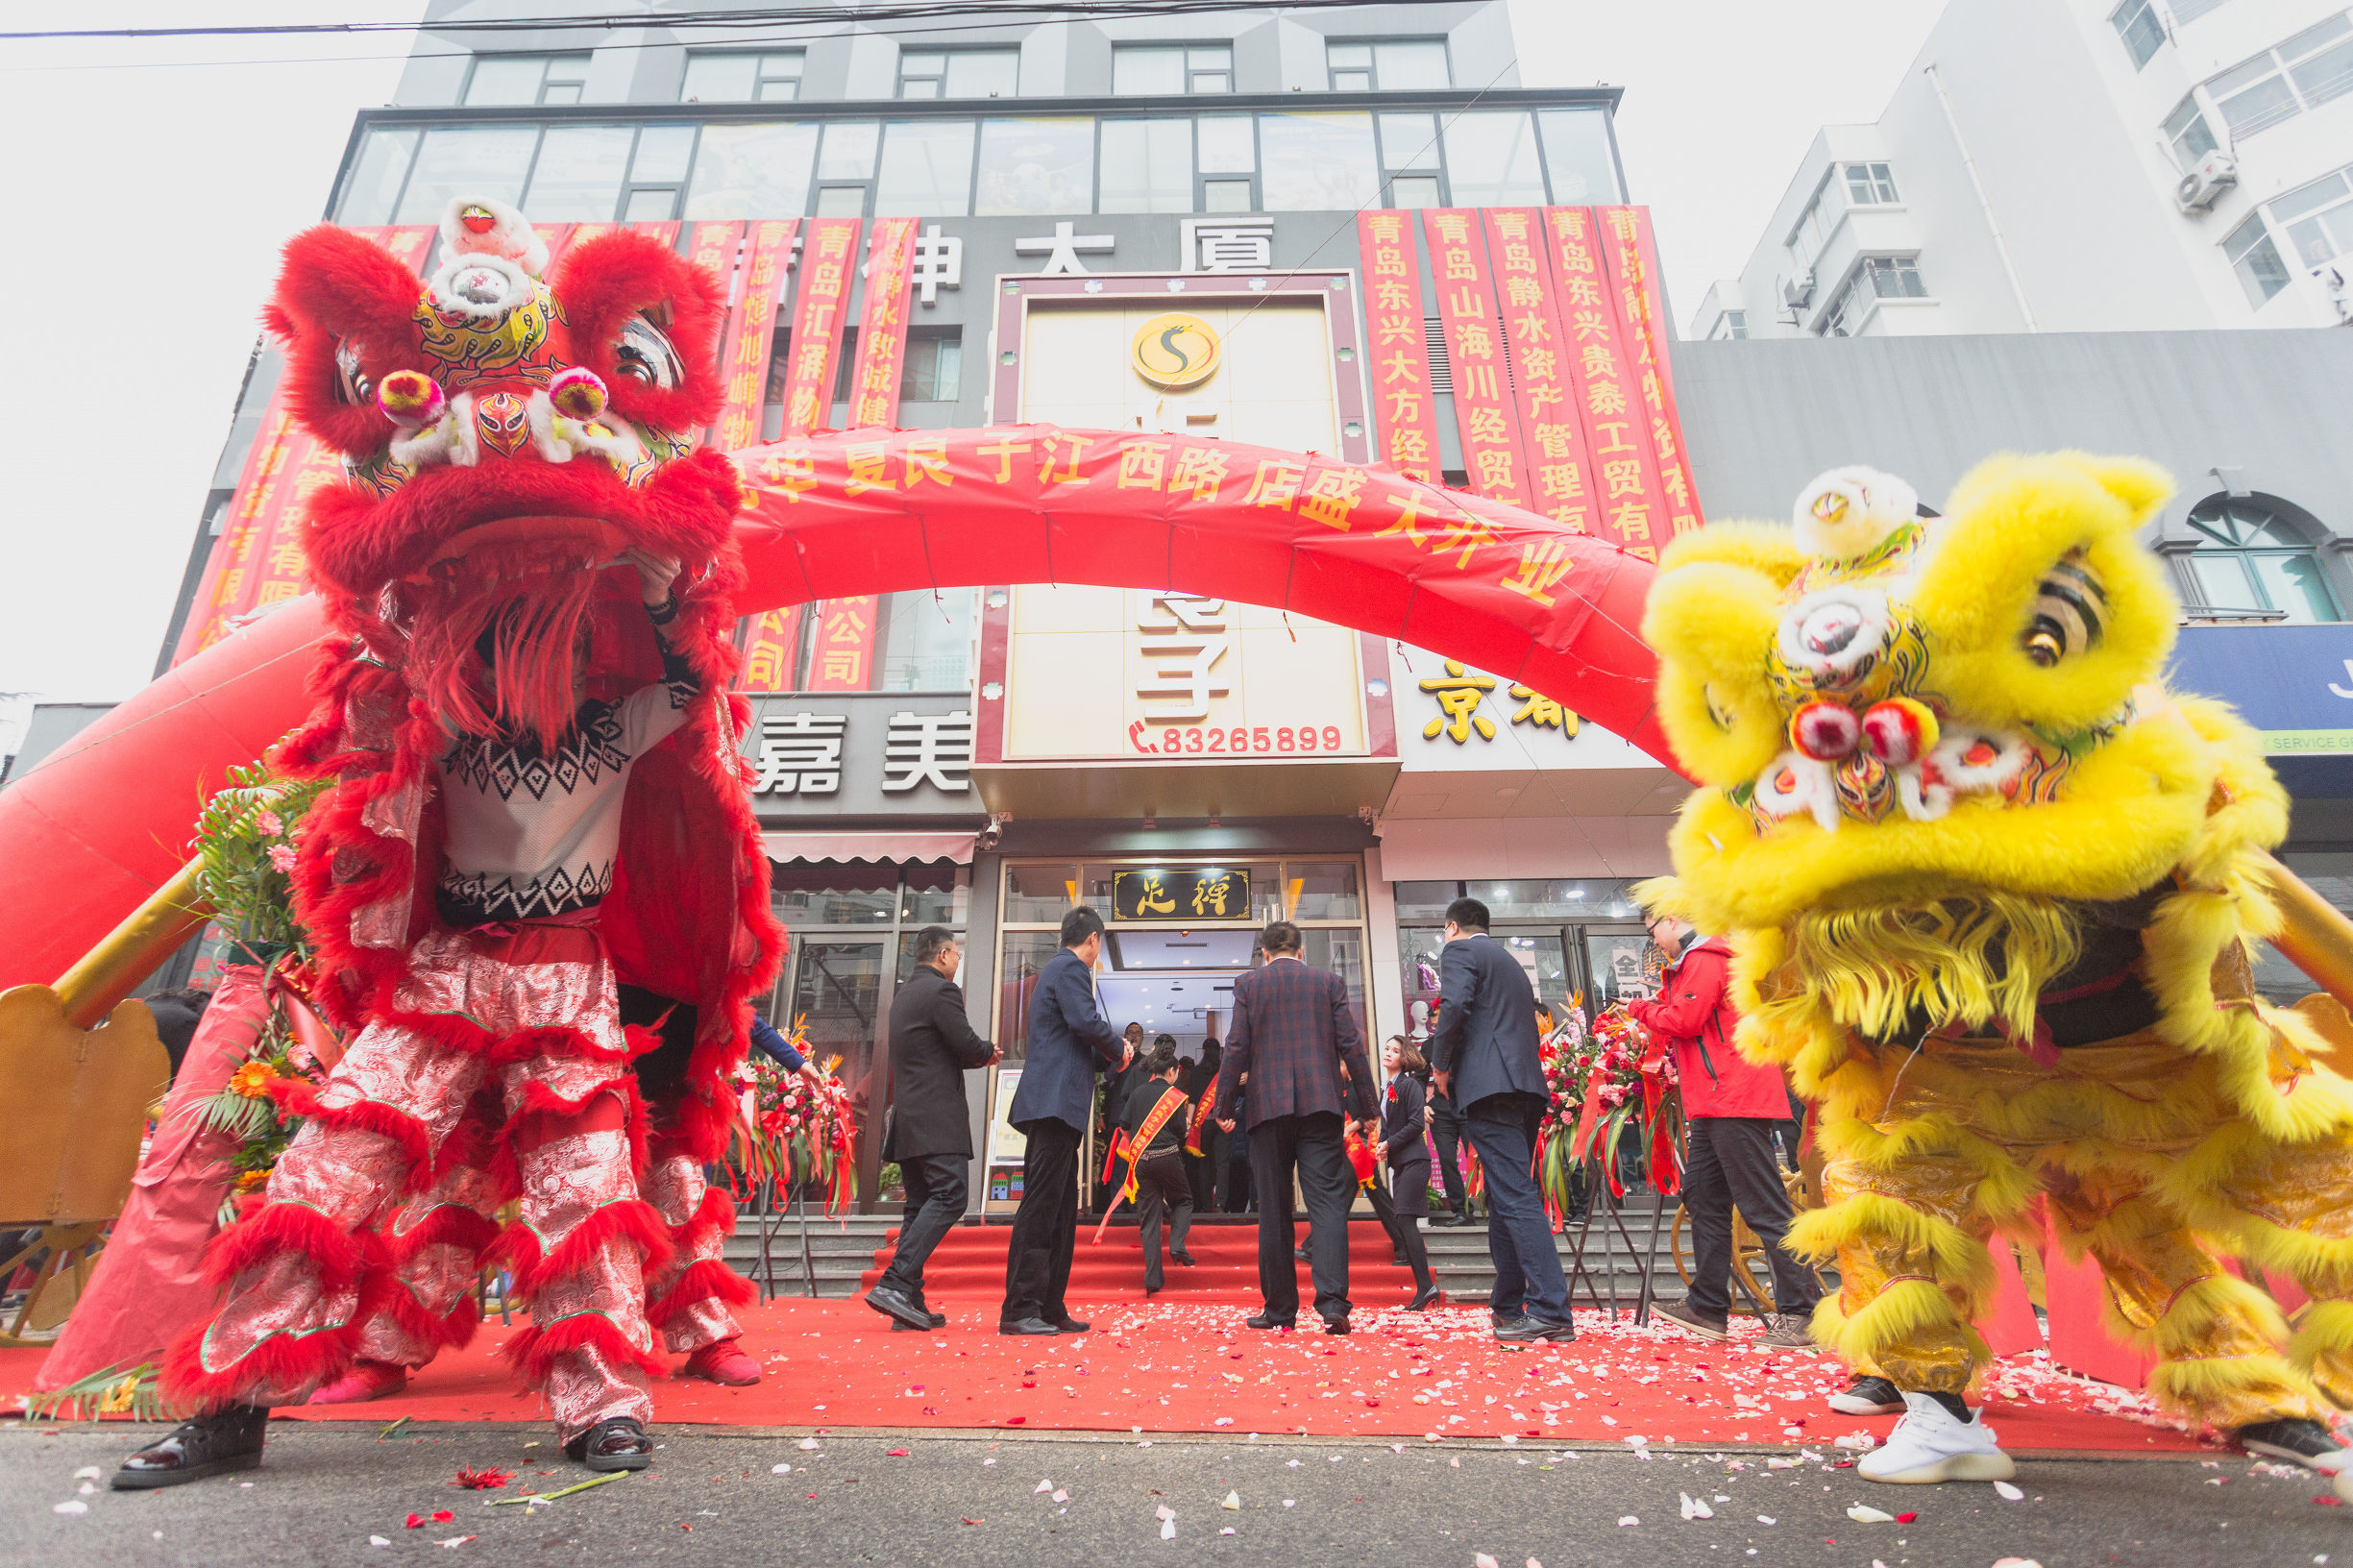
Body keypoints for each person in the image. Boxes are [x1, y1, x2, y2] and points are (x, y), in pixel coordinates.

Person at [1630, 908, 1823, 1351]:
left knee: (1763, 1208)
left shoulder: (1707, 956)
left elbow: (1685, 1021)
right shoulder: (1707, 955)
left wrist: (1642, 1008)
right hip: (1719, 1099)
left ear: (1673, 919)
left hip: (1732, 1096)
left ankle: (1803, 1311)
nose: (1654, 940)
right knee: (1704, 1199)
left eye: (1654, 930)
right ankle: (1708, 1305)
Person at [1214, 920, 1376, 1334]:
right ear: (1301, 950)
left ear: (1264, 953)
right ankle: (1334, 1304)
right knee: (1325, 1204)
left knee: (1273, 1208)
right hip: (1321, 1105)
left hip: (1267, 1107)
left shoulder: (1249, 985)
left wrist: (1225, 1104)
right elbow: (1351, 1045)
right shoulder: (1328, 983)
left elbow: (1236, 1046)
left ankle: (1280, 1310)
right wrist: (1370, 1105)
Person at [1428, 897, 1574, 1343]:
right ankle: (1508, 1305)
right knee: (1503, 1195)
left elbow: (1453, 1006)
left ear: (1452, 926)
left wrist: (1439, 1064)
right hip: (1524, 1087)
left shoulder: (1459, 951)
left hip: (1489, 1087)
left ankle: (1550, 1309)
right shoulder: (1509, 960)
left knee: (1513, 1195)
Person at [999, 907, 1129, 1335]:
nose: (1097, 954)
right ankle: (1020, 1309)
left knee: (1058, 1210)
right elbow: (1085, 1022)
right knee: (1041, 1207)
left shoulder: (1056, 973)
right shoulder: (1070, 969)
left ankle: (1049, 1304)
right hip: (1053, 1104)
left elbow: (1075, 1039)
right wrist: (1119, 1046)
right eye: (1099, 946)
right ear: (1092, 939)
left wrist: (1114, 1059)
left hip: (1057, 1104)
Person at [868, 926, 999, 1333]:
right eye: (956, 955)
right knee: (951, 1194)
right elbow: (964, 1042)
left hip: (909, 1117)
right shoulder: (942, 992)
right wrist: (988, 1052)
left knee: (918, 1204)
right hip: (936, 1118)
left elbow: (934, 1052)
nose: (958, 962)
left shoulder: (903, 996)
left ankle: (907, 1302)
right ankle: (895, 1281)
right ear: (942, 955)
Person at [1119, 1041, 1196, 1294]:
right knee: (1183, 1200)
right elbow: (1178, 1131)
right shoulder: (1174, 1097)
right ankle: (1177, 1244)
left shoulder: (1138, 1092)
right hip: (1168, 1157)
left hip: (1142, 1161)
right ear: (1172, 1071)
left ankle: (1152, 1279)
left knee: (1149, 1219)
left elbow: (1124, 1125)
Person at [1370, 1036, 1440, 1310]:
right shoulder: (1388, 1088)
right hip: (1402, 1162)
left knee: (1405, 1219)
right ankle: (1425, 1286)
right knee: (1403, 1220)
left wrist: (1389, 1142)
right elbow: (1389, 1126)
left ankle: (1426, 1286)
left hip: (1415, 1161)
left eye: (1395, 1051)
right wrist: (1382, 1145)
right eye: (1386, 1048)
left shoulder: (1409, 1085)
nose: (1388, 1053)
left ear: (1404, 1057)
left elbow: (1415, 1124)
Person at [1184, 1039, 1224, 1212]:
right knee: (1223, 1164)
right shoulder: (1225, 1070)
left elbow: (1192, 1100)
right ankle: (1221, 1203)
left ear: (1203, 1052)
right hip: (1224, 1123)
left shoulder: (1196, 1071)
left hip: (1203, 1123)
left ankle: (1207, 1205)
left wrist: (1189, 1122)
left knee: (1204, 1164)